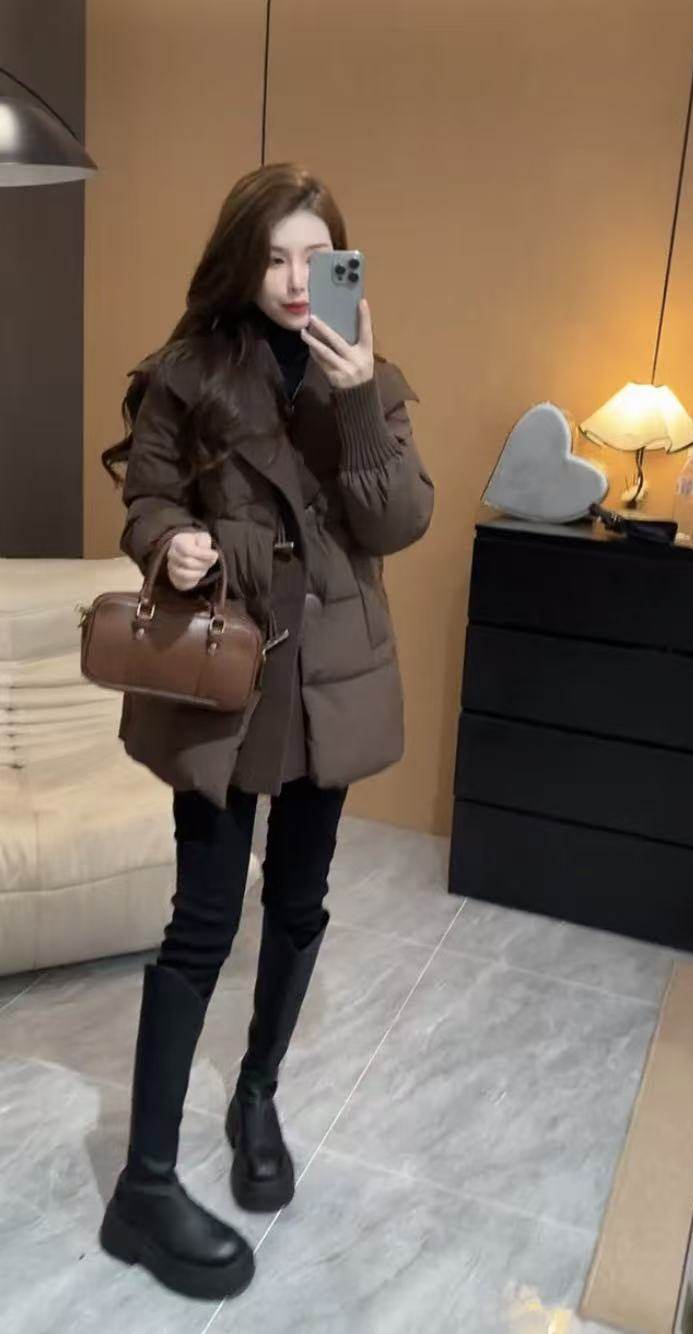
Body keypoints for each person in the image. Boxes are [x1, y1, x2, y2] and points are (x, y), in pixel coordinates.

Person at [97, 162, 434, 1300]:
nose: (297, 280)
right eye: (277, 256)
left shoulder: (369, 378)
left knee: (297, 901)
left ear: (343, 264)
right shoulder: (188, 372)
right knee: (201, 918)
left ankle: (256, 1096)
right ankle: (144, 1184)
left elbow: (397, 521)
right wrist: (171, 543)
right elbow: (147, 496)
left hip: (327, 678)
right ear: (243, 261)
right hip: (227, 673)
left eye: (317, 257)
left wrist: (354, 399)